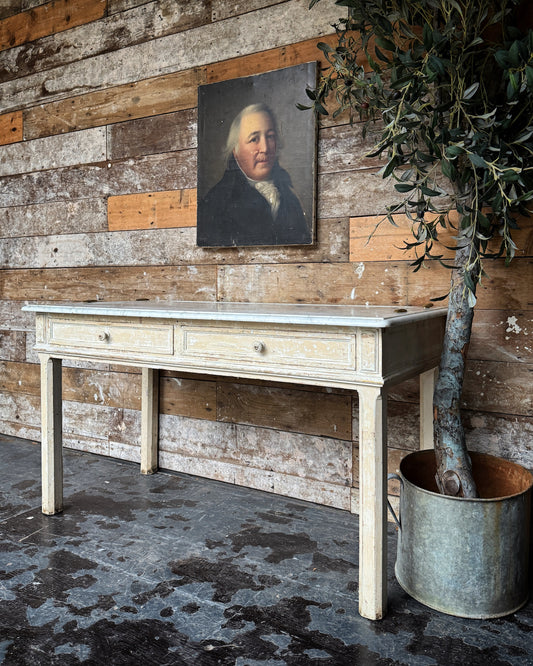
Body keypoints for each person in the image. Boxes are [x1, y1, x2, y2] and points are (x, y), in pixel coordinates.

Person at [197, 103, 311, 247]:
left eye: (270, 136)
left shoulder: (290, 196)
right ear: (235, 150)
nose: (265, 148)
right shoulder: (216, 203)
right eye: (254, 139)